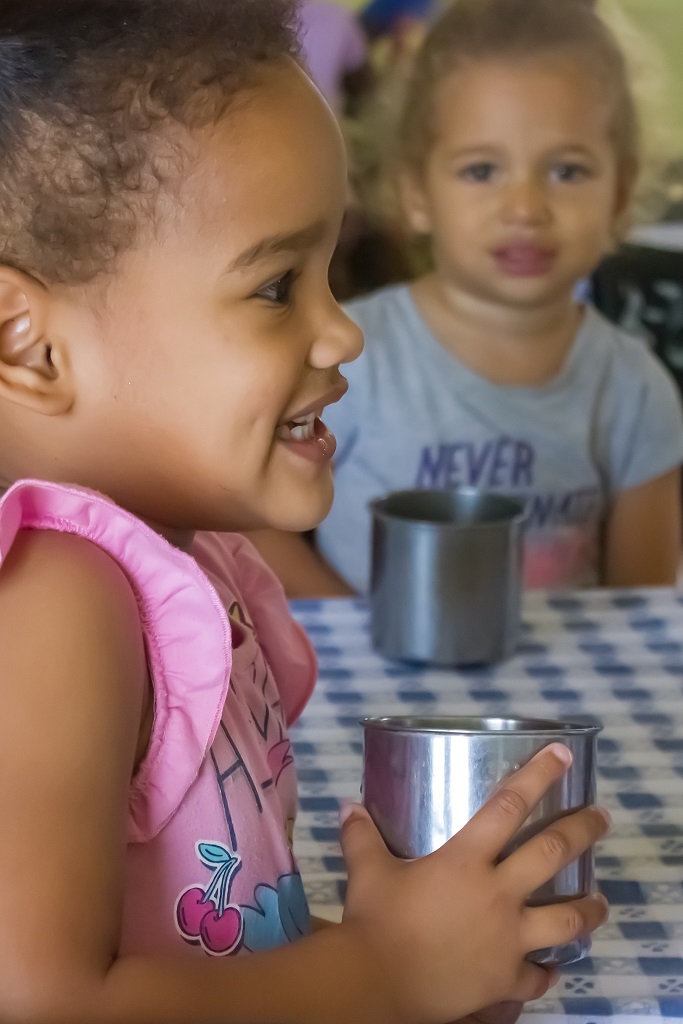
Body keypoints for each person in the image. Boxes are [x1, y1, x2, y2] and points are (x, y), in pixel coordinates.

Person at [0, 1, 609, 1022]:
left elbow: (192, 942)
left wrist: (418, 953)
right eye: (278, 286)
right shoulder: (56, 600)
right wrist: (388, 973)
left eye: (330, 273)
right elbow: (40, 1000)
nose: (341, 333)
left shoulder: (170, 562)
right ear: (29, 346)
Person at [252, 0, 683, 597]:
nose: (525, 208)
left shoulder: (636, 392)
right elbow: (251, 527)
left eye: (567, 171)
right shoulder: (343, 356)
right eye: (482, 171)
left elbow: (641, 605)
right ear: (416, 192)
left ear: (620, 194)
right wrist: (363, 625)